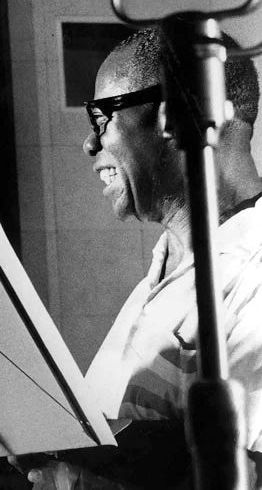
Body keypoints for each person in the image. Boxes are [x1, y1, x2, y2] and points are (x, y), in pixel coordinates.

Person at [22, 27, 262, 489]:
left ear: (179, 117)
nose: (90, 146)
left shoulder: (252, 274)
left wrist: (84, 484)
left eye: (102, 118)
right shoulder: (168, 267)